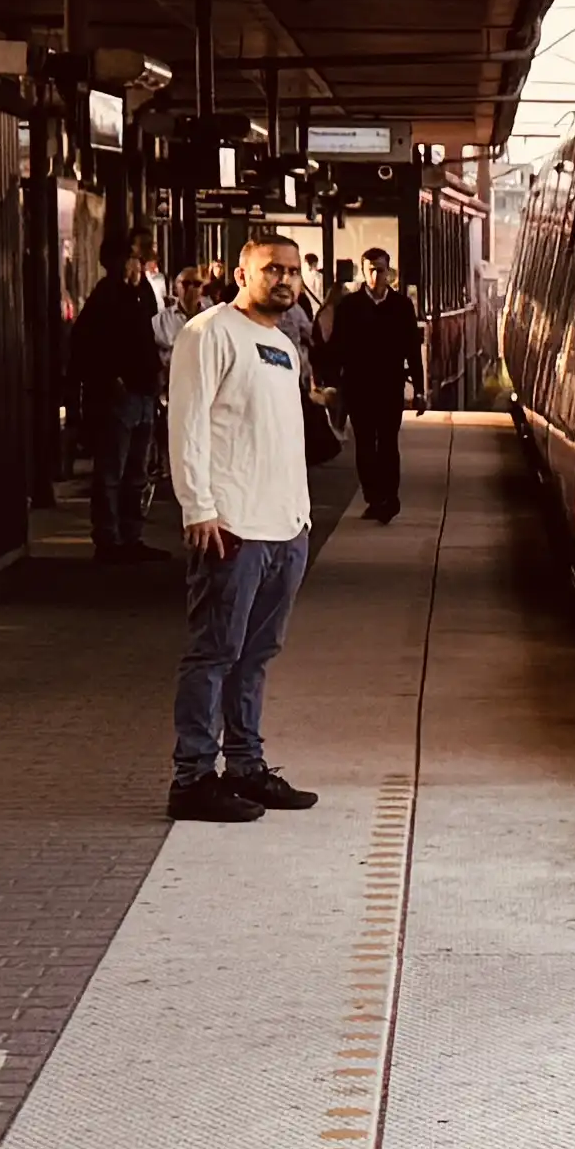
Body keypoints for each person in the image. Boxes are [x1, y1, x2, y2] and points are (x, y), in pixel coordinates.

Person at [164, 228, 321, 825]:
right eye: (271, 269)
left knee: (256, 655)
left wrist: (301, 518)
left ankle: (245, 766)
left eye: (292, 270)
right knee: (214, 654)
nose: (284, 279)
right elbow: (188, 425)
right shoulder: (209, 333)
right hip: (231, 526)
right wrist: (197, 506)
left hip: (285, 528)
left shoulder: (282, 344)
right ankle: (192, 779)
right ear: (241, 274)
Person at [68, 245, 171, 561]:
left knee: (135, 471)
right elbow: (85, 343)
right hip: (121, 395)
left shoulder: (139, 296)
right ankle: (109, 538)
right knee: (113, 470)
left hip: (141, 391)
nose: (137, 268)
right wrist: (112, 379)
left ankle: (130, 536)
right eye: (132, 261)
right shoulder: (106, 297)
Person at [331, 250, 422, 528]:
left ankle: (390, 497)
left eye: (380, 270)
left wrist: (419, 389)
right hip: (358, 387)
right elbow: (338, 347)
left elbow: (412, 349)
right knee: (365, 444)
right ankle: (373, 496)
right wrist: (334, 385)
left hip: (390, 386)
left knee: (388, 443)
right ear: (363, 271)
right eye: (370, 269)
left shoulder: (402, 306)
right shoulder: (349, 306)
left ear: (388, 272)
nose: (375, 275)